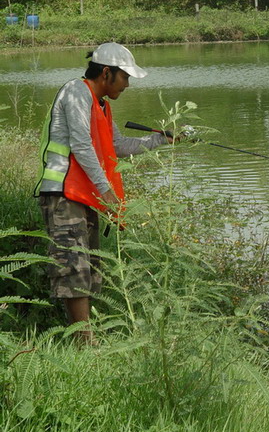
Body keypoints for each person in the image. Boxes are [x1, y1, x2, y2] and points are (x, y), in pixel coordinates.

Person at [34, 42, 172, 344]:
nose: (128, 84)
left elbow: (119, 147)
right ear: (107, 72)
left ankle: (85, 338)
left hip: (84, 194)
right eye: (125, 77)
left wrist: (162, 140)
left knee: (89, 267)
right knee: (74, 267)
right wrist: (106, 191)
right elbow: (81, 145)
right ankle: (86, 343)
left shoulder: (102, 105)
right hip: (62, 193)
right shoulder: (75, 92)